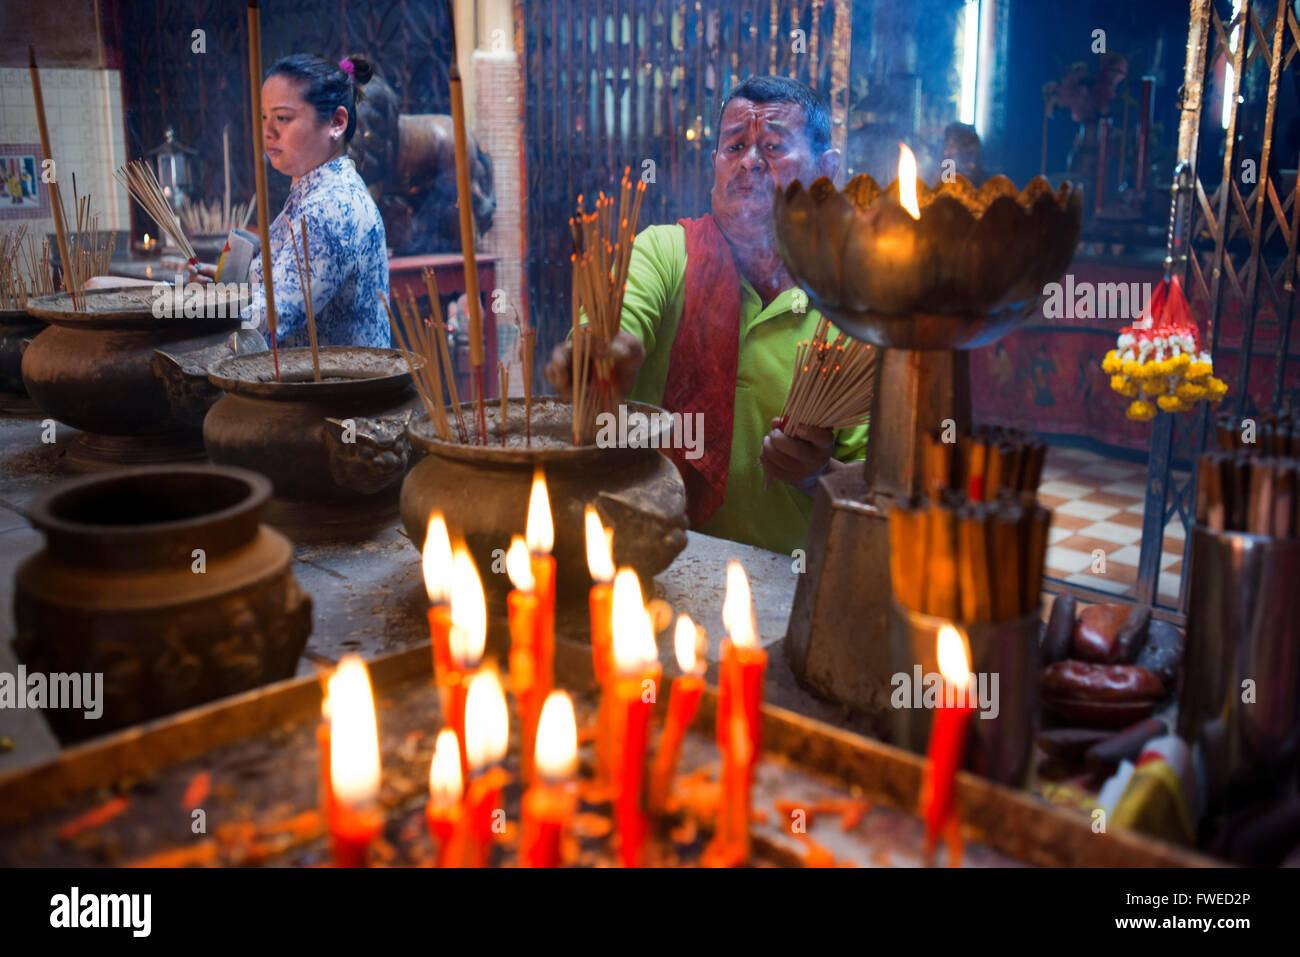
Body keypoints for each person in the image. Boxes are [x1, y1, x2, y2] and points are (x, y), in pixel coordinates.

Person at [545, 75, 869, 556]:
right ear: (714, 164)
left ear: (826, 171)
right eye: (734, 146)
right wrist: (604, 350)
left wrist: (815, 474)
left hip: (790, 589)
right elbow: (616, 322)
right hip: (657, 567)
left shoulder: (851, 306)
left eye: (774, 147)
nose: (750, 163)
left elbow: (874, 490)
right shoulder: (667, 251)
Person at [233, 53, 390, 349]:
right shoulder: (316, 190)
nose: (268, 131)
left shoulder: (329, 209)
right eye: (265, 117)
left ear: (336, 122)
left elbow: (268, 320)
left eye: (283, 118)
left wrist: (193, 312)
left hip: (334, 391)